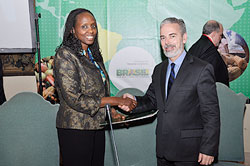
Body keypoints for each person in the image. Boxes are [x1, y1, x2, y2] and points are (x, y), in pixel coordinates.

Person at [120, 17, 220, 166]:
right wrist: (132, 101)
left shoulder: (202, 69)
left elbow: (211, 113)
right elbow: (151, 100)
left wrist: (209, 148)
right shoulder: (159, 70)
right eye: (163, 37)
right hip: (163, 150)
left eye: (172, 36)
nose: (167, 42)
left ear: (184, 37)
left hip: (191, 153)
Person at [54, 8, 136, 166]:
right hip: (75, 129)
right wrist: (116, 101)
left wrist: (114, 114)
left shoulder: (93, 55)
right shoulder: (65, 55)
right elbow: (74, 99)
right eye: (84, 26)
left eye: (93, 26)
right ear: (72, 30)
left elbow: (99, 93)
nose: (90, 30)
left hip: (97, 126)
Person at [188, 20, 229, 87]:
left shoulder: (195, 47)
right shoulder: (210, 50)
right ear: (213, 34)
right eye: (220, 35)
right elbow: (207, 78)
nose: (220, 39)